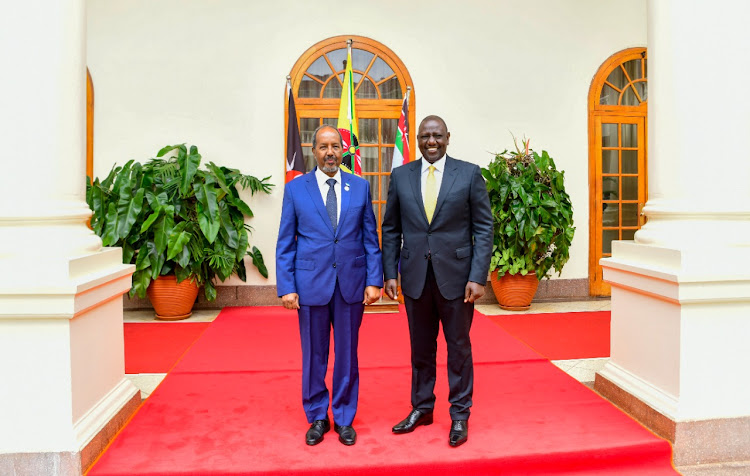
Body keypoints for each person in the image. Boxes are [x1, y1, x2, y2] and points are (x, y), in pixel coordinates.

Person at [381, 115, 493, 447]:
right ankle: (422, 408)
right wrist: (390, 272)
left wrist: (477, 275)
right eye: (425, 136)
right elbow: (391, 229)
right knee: (421, 349)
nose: (431, 141)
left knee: (458, 348)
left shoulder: (469, 173)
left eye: (437, 136)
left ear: (448, 138)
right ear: (417, 139)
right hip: (415, 278)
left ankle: (460, 414)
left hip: (458, 280)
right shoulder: (401, 176)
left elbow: (484, 229)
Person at [276, 125, 383, 447]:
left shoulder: (360, 188)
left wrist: (374, 279)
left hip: (351, 283)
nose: (330, 153)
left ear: (343, 150)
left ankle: (345, 417)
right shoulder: (297, 189)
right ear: (313, 151)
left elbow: (369, 237)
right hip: (310, 284)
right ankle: (318, 416)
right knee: (314, 356)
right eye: (323, 147)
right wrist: (287, 286)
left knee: (348, 355)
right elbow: (285, 241)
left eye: (335, 146)